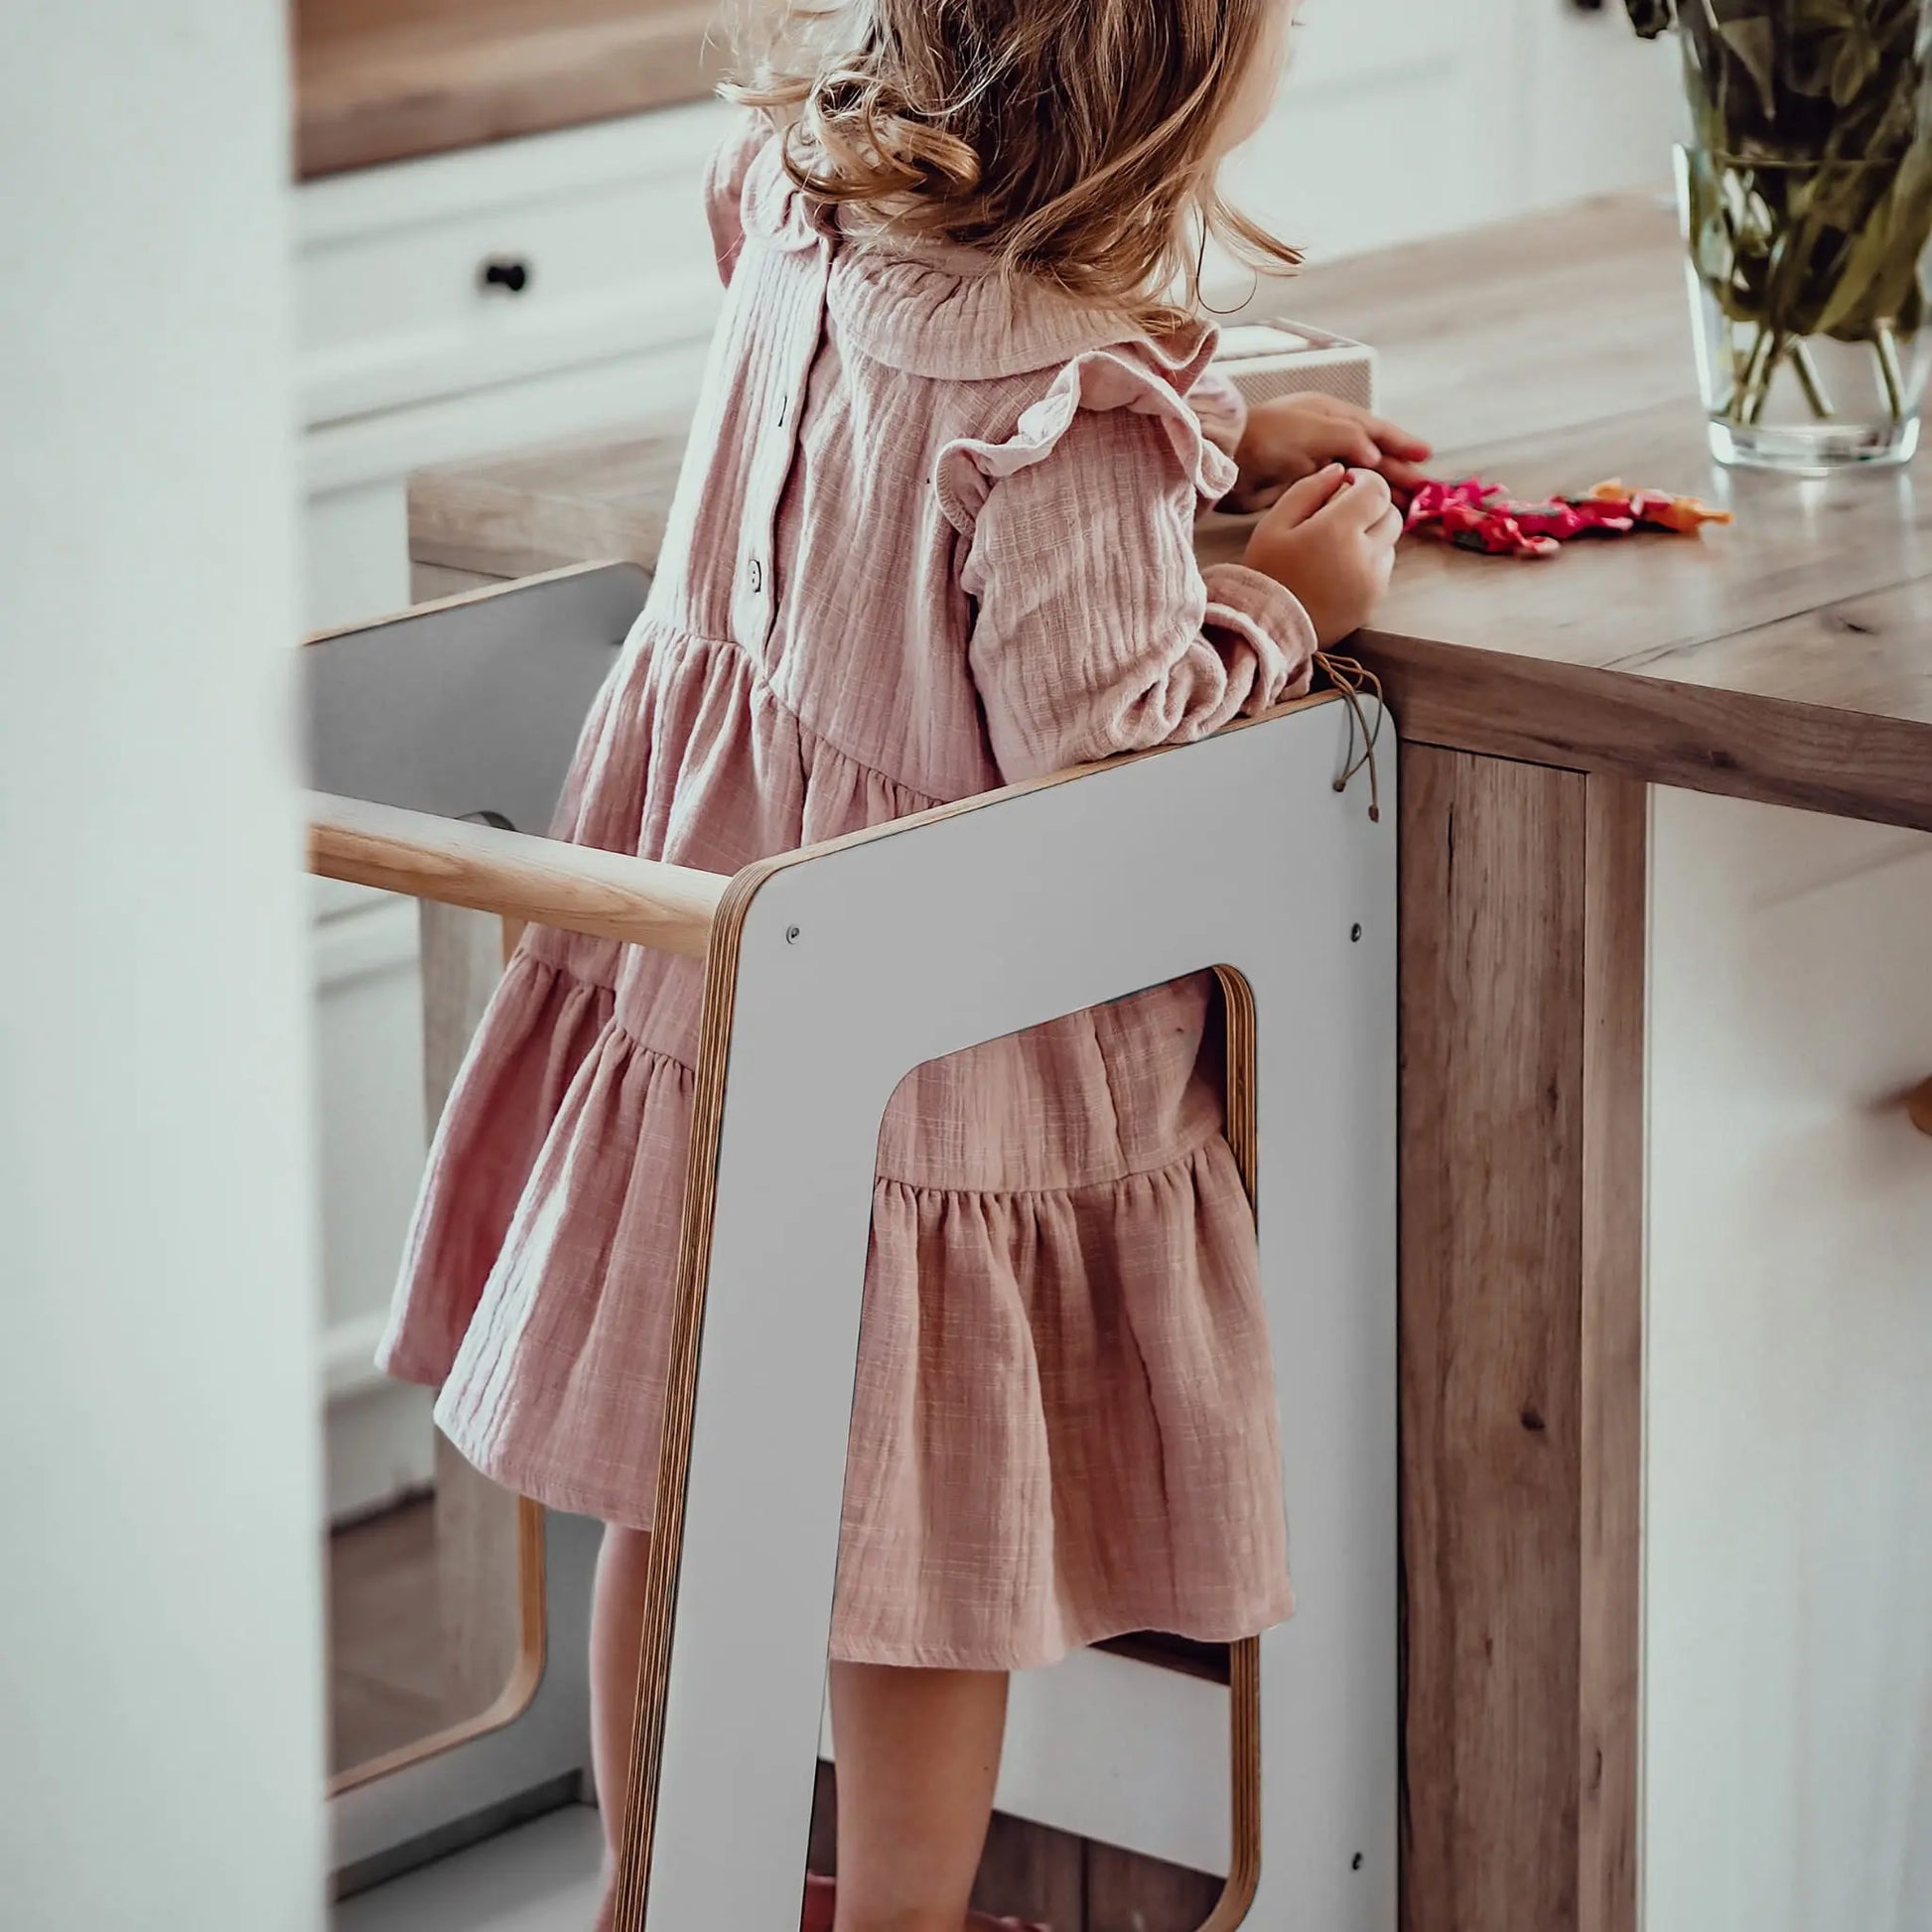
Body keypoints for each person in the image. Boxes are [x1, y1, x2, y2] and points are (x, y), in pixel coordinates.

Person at [378, 1, 1428, 1924]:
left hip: (711, 959)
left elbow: (898, 431)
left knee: (684, 1476)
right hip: (937, 1053)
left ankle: (648, 1888)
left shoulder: (794, 206)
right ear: (1164, 94)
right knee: (921, 1561)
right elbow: (1099, 730)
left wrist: (1195, 432)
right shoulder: (1064, 401)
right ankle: (903, 1918)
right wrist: (1283, 597)